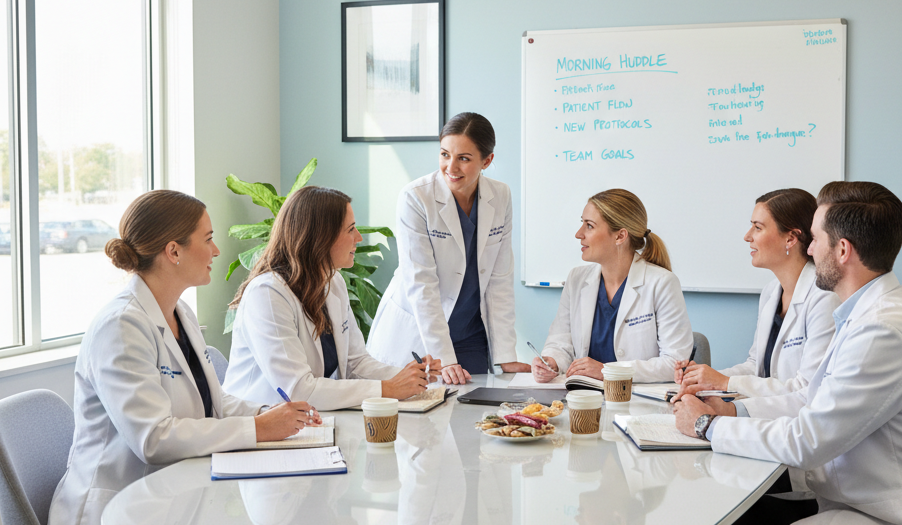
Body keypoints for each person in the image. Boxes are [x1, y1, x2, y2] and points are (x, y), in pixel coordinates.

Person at [671, 181, 902, 525]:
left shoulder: (880, 330)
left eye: (816, 240)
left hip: (891, 519)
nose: (808, 251)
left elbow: (809, 440)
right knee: (725, 523)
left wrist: (706, 427)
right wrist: (732, 410)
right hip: (866, 494)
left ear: (842, 250)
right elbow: (810, 397)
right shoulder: (867, 311)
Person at [47, 190, 318, 525]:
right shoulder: (121, 326)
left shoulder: (178, 313)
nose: (216, 250)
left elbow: (215, 402)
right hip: (126, 516)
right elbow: (153, 439)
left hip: (181, 497)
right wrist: (258, 430)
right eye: (207, 239)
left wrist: (271, 417)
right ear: (173, 251)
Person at [676, 188, 838, 498]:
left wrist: (726, 386)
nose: (747, 236)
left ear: (791, 238)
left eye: (758, 227)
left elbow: (807, 389)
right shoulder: (770, 293)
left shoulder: (824, 299)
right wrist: (705, 379)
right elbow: (755, 366)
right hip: (766, 430)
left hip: (799, 453)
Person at [224, 185, 437, 408]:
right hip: (260, 420)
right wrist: (388, 388)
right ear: (321, 237)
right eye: (351, 229)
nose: (359, 238)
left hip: (305, 421)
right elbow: (298, 390)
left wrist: (410, 377)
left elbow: (356, 364)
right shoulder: (267, 294)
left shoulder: (332, 281)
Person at [366, 112, 530, 385]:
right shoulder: (416, 197)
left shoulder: (500, 196)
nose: (450, 167)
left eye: (463, 158)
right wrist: (444, 357)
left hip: (470, 332)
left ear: (486, 161)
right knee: (423, 419)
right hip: (419, 332)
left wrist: (505, 355)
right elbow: (421, 283)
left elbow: (499, 280)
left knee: (476, 413)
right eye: (444, 154)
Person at [532, 188, 693, 383]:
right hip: (584, 396)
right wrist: (552, 362)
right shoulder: (576, 279)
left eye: (589, 226)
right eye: (581, 223)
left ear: (620, 236)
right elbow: (560, 343)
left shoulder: (662, 283)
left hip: (637, 400)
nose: (578, 234)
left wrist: (608, 370)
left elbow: (675, 363)